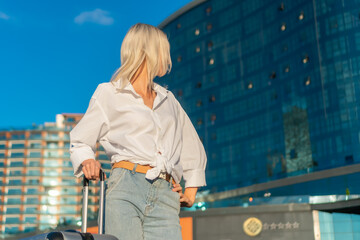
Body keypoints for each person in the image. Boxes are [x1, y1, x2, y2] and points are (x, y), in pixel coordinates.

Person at [69, 23, 207, 240]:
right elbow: (80, 140)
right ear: (149, 52)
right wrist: (87, 160)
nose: (167, 58)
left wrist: (191, 190)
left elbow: (191, 144)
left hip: (165, 195)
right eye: (164, 51)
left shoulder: (168, 100)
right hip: (125, 186)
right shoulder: (109, 93)